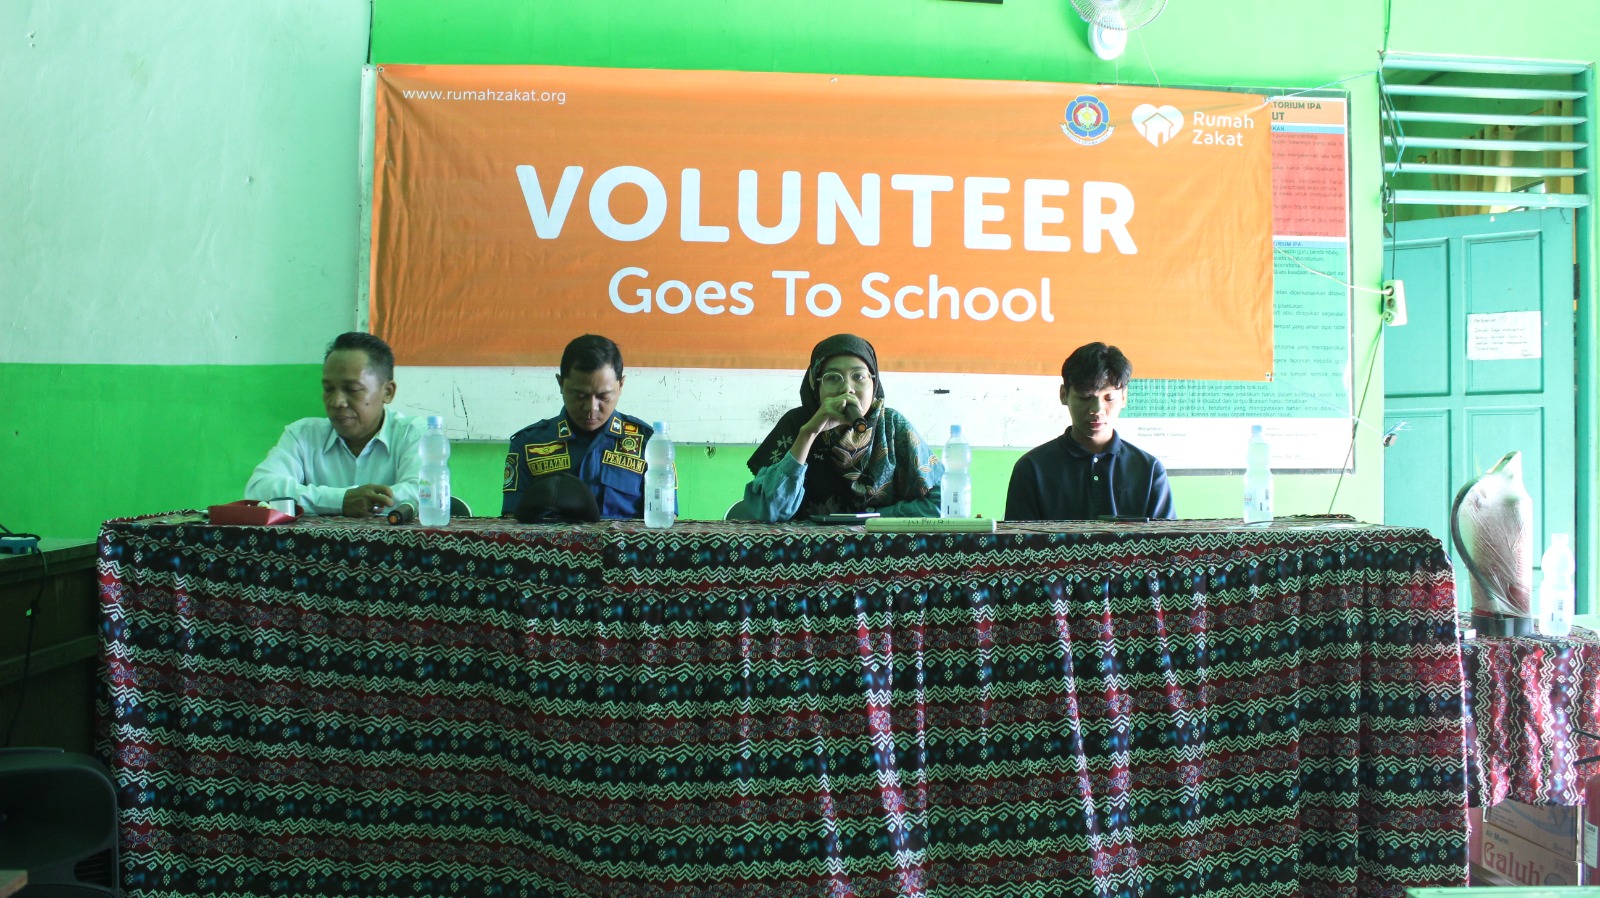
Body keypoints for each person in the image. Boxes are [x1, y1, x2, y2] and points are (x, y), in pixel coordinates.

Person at [740, 334, 942, 522]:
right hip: (808, 546)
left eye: (859, 376)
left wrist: (873, 517)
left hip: (880, 546)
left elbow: (942, 503)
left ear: (874, 383)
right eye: (833, 378)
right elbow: (771, 511)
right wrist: (809, 434)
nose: (847, 388)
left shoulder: (892, 425)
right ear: (816, 386)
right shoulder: (797, 424)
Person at [246, 332, 427, 517]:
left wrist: (322, 502)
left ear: (387, 392)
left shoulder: (412, 434)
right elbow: (259, 489)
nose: (337, 401)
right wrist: (339, 500)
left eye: (352, 389)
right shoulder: (303, 435)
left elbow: (425, 494)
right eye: (328, 389)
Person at [1005, 342, 1175, 521]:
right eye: (1085, 397)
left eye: (1109, 398)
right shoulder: (1032, 469)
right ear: (1064, 395)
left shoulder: (1149, 471)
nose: (1097, 409)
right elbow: (1019, 538)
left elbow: (1166, 538)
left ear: (1124, 398)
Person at [502, 334, 654, 520]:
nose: (591, 408)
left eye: (603, 397)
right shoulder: (528, 444)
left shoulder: (649, 444)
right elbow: (512, 523)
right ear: (560, 384)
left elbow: (664, 522)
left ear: (621, 385)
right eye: (580, 396)